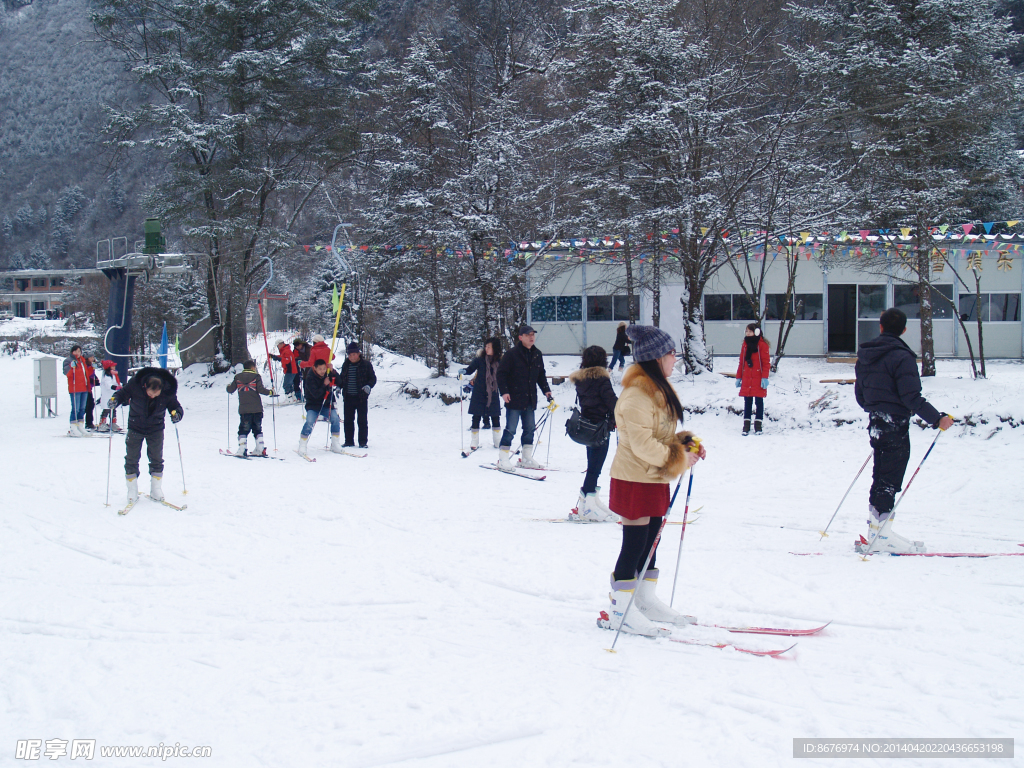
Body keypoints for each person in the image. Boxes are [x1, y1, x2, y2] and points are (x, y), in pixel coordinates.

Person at [605, 324, 706, 637]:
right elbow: (642, 445)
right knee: (634, 545)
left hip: (654, 476)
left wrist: (686, 442)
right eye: (671, 353)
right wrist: (677, 458)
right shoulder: (636, 397)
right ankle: (620, 608)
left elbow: (660, 436)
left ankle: (645, 600)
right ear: (656, 358)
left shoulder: (658, 391)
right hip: (634, 477)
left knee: (651, 542)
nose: (675, 358)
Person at [854, 308, 953, 554]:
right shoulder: (902, 356)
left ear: (880, 326)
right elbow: (911, 396)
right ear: (905, 330)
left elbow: (861, 395)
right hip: (894, 423)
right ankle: (881, 535)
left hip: (877, 421)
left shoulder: (867, 354)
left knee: (882, 477)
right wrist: (937, 418)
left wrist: (876, 407)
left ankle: (877, 530)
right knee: (889, 479)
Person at [109, 367, 183, 503]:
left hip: (156, 428)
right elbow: (122, 394)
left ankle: (156, 489)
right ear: (145, 386)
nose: (153, 396)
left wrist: (177, 413)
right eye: (150, 393)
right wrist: (115, 400)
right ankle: (132, 489)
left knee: (156, 458)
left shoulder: (167, 390)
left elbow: (174, 405)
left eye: (156, 394)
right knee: (131, 457)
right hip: (135, 426)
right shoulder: (135, 384)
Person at [569, 345, 618, 522]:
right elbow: (611, 401)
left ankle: (591, 499)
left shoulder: (581, 380)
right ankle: (586, 504)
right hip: (601, 427)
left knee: (592, 465)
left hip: (587, 427)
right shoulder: (602, 380)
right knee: (595, 468)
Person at [496, 324, 553, 470]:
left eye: (533, 334)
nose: (531, 337)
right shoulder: (511, 354)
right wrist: (504, 392)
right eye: (528, 335)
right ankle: (503, 459)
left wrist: (546, 390)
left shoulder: (537, 354)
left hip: (530, 399)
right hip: (514, 398)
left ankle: (526, 458)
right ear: (521, 337)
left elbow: (541, 375)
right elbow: (501, 374)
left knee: (529, 429)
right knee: (511, 429)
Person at [460, 337, 503, 450]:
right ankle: (474, 441)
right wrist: (464, 371)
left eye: (489, 346)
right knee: (476, 416)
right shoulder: (480, 359)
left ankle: (497, 441)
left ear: (495, 348)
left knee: (495, 416)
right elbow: (470, 369)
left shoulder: (500, 361)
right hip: (479, 392)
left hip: (493, 392)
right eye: (486, 346)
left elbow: (506, 373)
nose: (486, 348)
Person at [298, 358, 345, 456]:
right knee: (310, 421)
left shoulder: (327, 373)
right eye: (320, 369)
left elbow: (340, 382)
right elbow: (316, 394)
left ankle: (335, 443)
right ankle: (303, 443)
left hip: (327, 404)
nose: (322, 371)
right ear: (315, 368)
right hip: (314, 405)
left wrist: (333, 371)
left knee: (335, 419)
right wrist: (324, 384)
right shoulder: (310, 377)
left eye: (324, 368)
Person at [226, 360, 273, 456]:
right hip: (257, 409)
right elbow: (260, 389)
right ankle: (260, 448)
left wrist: (228, 387)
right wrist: (270, 392)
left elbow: (231, 389)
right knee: (257, 428)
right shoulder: (256, 377)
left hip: (244, 409)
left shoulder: (237, 377)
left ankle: (242, 448)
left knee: (243, 428)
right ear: (252, 367)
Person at [735, 323, 771, 435]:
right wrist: (739, 377)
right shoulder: (745, 345)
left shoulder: (762, 345)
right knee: (747, 402)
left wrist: (764, 377)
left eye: (750, 331)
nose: (748, 333)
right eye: (746, 331)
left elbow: (766, 363)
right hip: (747, 378)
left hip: (758, 378)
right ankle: (746, 426)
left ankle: (758, 426)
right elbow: (742, 362)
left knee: (759, 402)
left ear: (756, 332)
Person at [340, 342, 377, 448]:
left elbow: (373, 378)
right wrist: (339, 386)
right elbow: (342, 378)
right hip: (348, 397)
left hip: (361, 397)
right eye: (350, 355)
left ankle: (363, 442)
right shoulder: (346, 364)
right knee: (348, 420)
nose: (352, 357)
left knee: (362, 421)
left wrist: (369, 386)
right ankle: (349, 441)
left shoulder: (366, 364)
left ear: (359, 354)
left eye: (354, 354)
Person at [62, 344, 91, 436]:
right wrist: (71, 367)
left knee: (82, 408)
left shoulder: (82, 361)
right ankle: (73, 427)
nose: (78, 353)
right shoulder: (68, 361)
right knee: (76, 408)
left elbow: (86, 373)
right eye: (76, 351)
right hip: (75, 388)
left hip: (84, 387)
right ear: (72, 352)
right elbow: (67, 374)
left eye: (79, 351)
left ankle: (80, 425)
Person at [96, 360, 123, 433]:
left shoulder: (114, 375)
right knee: (107, 409)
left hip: (113, 395)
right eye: (112, 366)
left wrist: (119, 385)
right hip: (107, 395)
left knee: (113, 409)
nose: (114, 367)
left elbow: (116, 382)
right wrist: (115, 387)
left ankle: (113, 423)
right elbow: (108, 385)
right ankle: (102, 423)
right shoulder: (106, 376)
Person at [83, 354, 99, 430]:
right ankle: (87, 422)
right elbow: (87, 374)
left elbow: (92, 374)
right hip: (86, 387)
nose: (93, 358)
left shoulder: (91, 365)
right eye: (91, 357)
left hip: (89, 387)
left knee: (90, 405)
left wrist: (95, 379)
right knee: (88, 405)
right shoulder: (86, 365)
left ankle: (89, 422)